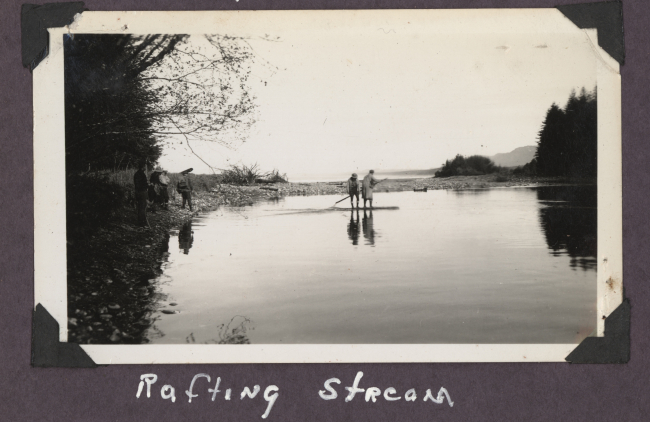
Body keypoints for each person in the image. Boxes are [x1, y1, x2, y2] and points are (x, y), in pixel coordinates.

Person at [133, 161, 149, 227]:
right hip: (141, 192)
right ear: (142, 167)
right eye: (144, 166)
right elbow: (141, 184)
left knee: (140, 207)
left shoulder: (137, 173)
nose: (145, 167)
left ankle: (141, 222)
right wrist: (147, 185)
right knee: (142, 207)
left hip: (138, 192)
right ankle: (142, 223)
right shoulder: (141, 174)